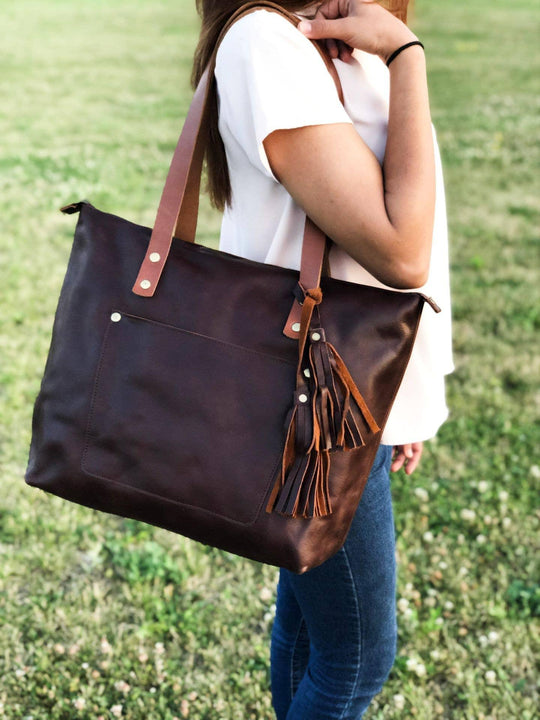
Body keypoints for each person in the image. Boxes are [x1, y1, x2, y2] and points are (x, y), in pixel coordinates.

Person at [192, 0, 453, 717]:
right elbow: (400, 250)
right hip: (310, 400)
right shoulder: (267, 41)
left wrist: (408, 395)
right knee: (358, 656)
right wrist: (408, 56)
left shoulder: (342, 36)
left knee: (309, 622)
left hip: (348, 385)